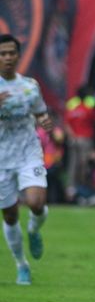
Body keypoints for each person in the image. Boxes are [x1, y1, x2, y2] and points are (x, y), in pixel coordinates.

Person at [0, 34, 53, 285]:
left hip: (28, 152)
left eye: (11, 53)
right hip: (1, 158)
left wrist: (45, 121)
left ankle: (33, 229)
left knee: (35, 202)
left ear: (18, 55)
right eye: (3, 54)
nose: (8, 57)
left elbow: (41, 112)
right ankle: (22, 265)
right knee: (9, 215)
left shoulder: (30, 86)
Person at [63, 85, 95, 201]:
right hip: (80, 141)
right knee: (76, 165)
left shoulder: (86, 107)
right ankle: (73, 192)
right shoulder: (77, 107)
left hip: (83, 140)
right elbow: (67, 124)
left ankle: (84, 190)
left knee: (84, 165)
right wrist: (73, 136)